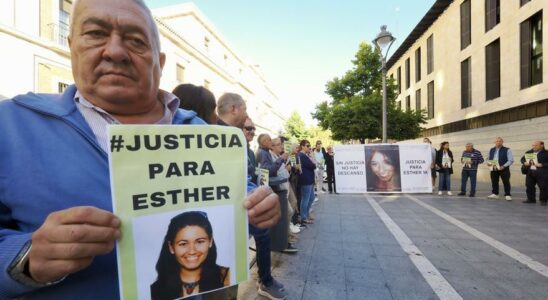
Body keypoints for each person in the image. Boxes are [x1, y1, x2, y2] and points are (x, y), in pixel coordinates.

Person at [0, 1, 280, 298]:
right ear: (72, 46)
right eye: (96, 33)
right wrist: (24, 260)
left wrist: (257, 203)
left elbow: (238, 198)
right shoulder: (10, 126)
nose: (116, 51)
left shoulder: (202, 132)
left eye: (136, 40)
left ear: (159, 61)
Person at [218, 108, 285, 300]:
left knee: (262, 236)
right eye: (247, 128)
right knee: (231, 253)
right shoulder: (223, 141)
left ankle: (264, 279)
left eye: (253, 129)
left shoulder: (246, 149)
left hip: (248, 205)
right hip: (229, 212)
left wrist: (259, 191)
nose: (251, 133)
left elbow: (250, 175)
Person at [151, 211, 229, 299]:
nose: (192, 251)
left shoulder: (227, 278)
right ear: (171, 247)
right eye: (183, 244)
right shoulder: (156, 289)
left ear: (210, 241)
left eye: (199, 242)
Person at [270, 138, 298, 253]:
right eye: (278, 145)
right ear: (272, 146)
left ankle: (286, 237)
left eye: (281, 145)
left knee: (290, 210)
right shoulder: (271, 156)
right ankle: (284, 240)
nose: (281, 147)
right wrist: (286, 170)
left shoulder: (277, 156)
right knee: (288, 212)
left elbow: (282, 172)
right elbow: (274, 172)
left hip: (284, 186)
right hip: (278, 189)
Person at [520, 141, 548, 205]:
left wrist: (542, 164)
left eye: (536, 145)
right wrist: (524, 162)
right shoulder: (529, 152)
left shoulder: (546, 153)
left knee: (543, 187)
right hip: (530, 172)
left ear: (542, 145)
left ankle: (543, 200)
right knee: (529, 185)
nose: (534, 147)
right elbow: (522, 159)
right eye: (533, 145)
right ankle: (531, 199)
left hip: (542, 173)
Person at [298, 140, 317, 225]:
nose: (309, 147)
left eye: (309, 146)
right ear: (302, 146)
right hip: (306, 180)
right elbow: (313, 166)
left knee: (311, 198)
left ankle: (306, 214)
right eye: (307, 146)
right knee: (305, 199)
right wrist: (312, 156)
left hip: (309, 180)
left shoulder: (305, 155)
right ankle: (304, 217)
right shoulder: (302, 156)